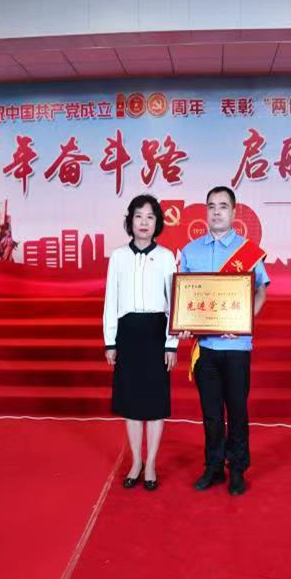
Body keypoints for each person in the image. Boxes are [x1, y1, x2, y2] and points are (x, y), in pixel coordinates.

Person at [178, 186, 269, 496]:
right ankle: (214, 467)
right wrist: (185, 325)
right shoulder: (191, 251)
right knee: (211, 413)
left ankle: (238, 468)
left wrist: (243, 323)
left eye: (223, 206)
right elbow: (184, 297)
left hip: (237, 348)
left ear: (233, 212)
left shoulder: (248, 251)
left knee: (237, 412)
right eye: (211, 206)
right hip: (205, 348)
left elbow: (261, 292)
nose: (216, 212)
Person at [103, 194, 178, 491]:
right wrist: (110, 342)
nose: (144, 222)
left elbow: (174, 302)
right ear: (130, 221)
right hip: (128, 334)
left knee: (156, 404)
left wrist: (171, 344)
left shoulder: (167, 257)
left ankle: (151, 464)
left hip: (156, 333)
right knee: (132, 403)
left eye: (150, 216)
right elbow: (111, 300)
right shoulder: (118, 256)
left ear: (157, 222)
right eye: (138, 216)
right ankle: (136, 461)